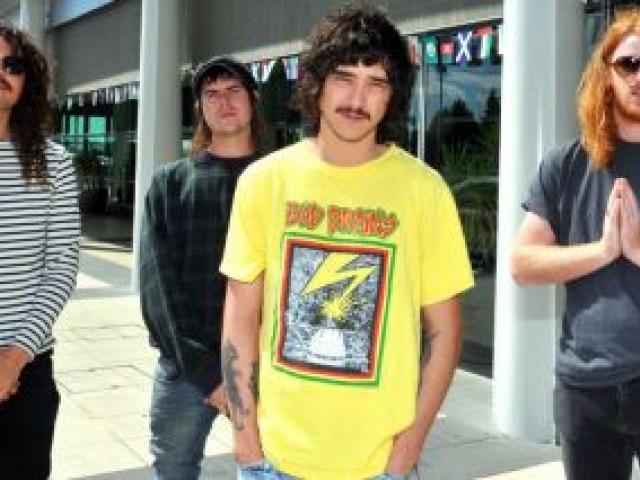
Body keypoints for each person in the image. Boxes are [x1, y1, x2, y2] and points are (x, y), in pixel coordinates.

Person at [219, 5, 474, 480]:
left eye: (376, 83)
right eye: (343, 77)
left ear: (392, 97)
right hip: (273, 463)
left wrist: (406, 452)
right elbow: (240, 316)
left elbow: (444, 333)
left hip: (380, 466)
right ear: (316, 83)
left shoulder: (424, 190)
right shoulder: (264, 181)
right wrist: (245, 438)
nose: (358, 98)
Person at [511, 8, 640, 480]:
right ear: (606, 73)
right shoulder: (565, 164)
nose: (638, 76)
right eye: (629, 63)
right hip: (585, 388)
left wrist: (637, 248)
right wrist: (605, 250)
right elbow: (523, 263)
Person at [139, 57, 260, 480]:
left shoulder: (281, 180)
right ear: (199, 109)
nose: (223, 102)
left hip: (265, 367)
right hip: (184, 366)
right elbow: (157, 288)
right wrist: (210, 375)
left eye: (233, 91)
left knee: (275, 469)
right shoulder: (170, 183)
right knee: (173, 468)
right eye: (211, 94)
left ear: (253, 100)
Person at [0, 22, 80, 480]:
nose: (2, 72)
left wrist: (12, 358)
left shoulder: (55, 162)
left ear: (27, 78)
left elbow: (62, 266)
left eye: (12, 64)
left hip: (28, 369)